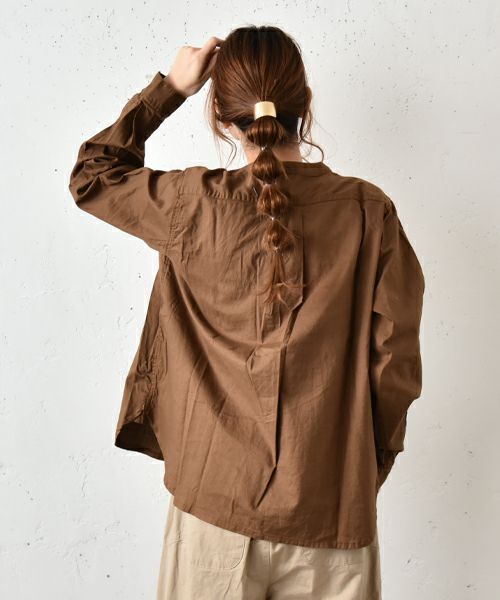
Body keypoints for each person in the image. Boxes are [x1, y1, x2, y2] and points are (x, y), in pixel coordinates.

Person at [68, 25, 425, 600]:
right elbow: (395, 364)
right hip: (332, 510)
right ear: (305, 105)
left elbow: (93, 175)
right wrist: (358, 470)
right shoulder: (368, 212)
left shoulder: (191, 204)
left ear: (221, 116)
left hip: (214, 510)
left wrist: (169, 90)